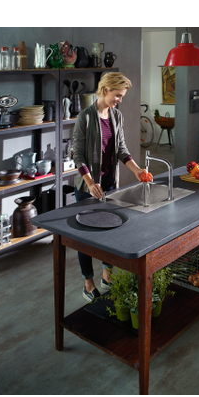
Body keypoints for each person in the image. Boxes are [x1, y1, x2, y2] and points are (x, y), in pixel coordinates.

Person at [72, 72, 147, 302]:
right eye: (118, 95)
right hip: (88, 187)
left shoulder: (117, 116)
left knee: (110, 232)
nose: (120, 100)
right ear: (105, 90)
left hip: (109, 184)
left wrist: (137, 171)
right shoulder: (85, 118)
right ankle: (88, 283)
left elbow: (122, 150)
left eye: (122, 96)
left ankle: (107, 275)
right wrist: (90, 183)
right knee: (85, 237)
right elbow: (78, 156)